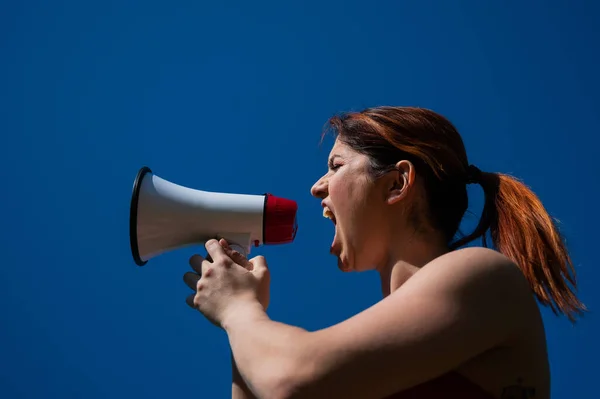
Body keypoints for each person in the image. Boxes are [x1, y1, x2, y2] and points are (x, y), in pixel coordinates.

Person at [183, 106, 585, 399]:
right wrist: (245, 322)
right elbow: (280, 381)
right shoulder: (371, 356)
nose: (316, 188)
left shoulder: (484, 276)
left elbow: (291, 380)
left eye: (336, 166)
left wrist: (239, 312)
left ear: (397, 184)